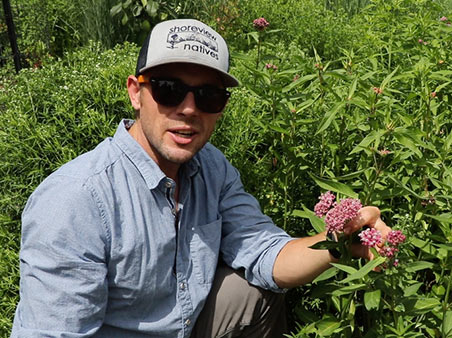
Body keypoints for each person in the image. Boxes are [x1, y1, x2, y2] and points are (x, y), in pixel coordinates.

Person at [10, 18, 390, 338]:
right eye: (169, 89)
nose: (189, 109)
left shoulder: (211, 167)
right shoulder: (76, 201)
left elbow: (265, 253)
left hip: (184, 325)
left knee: (253, 292)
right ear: (135, 92)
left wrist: (338, 239)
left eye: (209, 95)